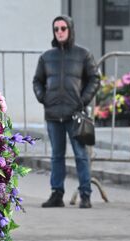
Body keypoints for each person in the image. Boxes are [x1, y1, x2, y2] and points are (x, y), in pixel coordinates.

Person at [33, 15, 100, 209]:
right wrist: (43, 97)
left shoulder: (83, 54)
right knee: (56, 156)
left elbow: (95, 78)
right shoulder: (46, 57)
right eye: (56, 29)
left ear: (70, 29)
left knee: (81, 154)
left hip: (75, 113)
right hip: (53, 114)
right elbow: (37, 80)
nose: (60, 32)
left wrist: (83, 100)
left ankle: (85, 194)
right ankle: (57, 194)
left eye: (63, 28)